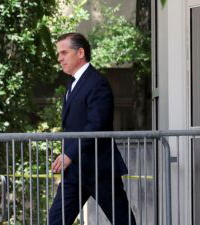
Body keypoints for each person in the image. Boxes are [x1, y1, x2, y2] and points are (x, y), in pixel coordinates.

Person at [49, 32, 136, 225]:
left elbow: (96, 125)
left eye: (64, 53)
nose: (59, 58)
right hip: (75, 171)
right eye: (58, 54)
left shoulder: (97, 83)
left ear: (80, 53)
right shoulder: (73, 83)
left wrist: (69, 154)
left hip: (99, 168)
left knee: (122, 220)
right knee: (56, 220)